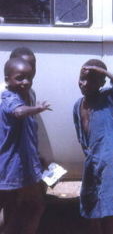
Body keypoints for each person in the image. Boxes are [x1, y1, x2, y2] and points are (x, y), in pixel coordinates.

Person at [73, 59, 113, 234]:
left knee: (110, 205)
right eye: (82, 79)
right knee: (90, 202)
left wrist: (103, 72)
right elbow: (81, 135)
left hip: (111, 160)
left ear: (101, 83)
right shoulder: (78, 105)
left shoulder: (109, 99)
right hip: (92, 160)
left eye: (91, 80)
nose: (84, 84)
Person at [0, 57, 51, 234]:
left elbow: (29, 134)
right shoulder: (9, 97)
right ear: (7, 79)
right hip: (13, 167)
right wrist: (36, 109)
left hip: (24, 166)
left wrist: (37, 158)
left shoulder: (27, 95)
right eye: (20, 78)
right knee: (29, 207)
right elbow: (18, 111)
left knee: (24, 207)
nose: (26, 82)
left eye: (29, 78)